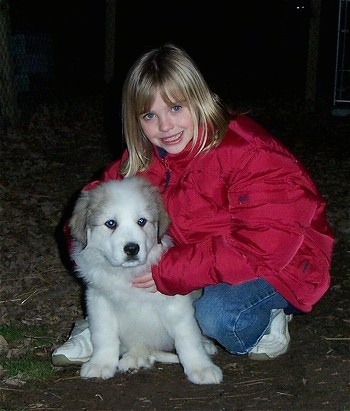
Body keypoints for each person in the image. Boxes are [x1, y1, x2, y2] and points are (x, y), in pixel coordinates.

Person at [51, 43, 334, 367]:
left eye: (175, 108)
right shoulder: (145, 159)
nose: (165, 126)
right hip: (207, 259)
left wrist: (170, 271)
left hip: (284, 264)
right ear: (136, 120)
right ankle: (107, 332)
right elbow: (92, 207)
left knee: (218, 317)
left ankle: (269, 315)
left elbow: (264, 247)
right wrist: (97, 256)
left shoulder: (250, 153)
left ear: (199, 99)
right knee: (139, 272)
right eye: (150, 115)